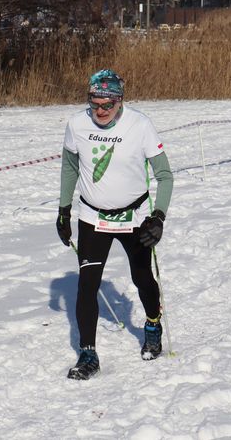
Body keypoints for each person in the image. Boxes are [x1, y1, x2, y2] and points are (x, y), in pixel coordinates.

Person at [56, 69, 173, 380]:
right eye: (95, 104)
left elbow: (164, 176)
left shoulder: (140, 124)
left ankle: (152, 323)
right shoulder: (77, 125)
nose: (101, 111)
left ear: (120, 101)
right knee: (86, 285)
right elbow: (69, 169)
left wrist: (158, 216)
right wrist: (64, 210)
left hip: (134, 217)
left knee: (141, 277)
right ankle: (88, 353)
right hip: (93, 217)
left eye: (108, 104)